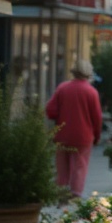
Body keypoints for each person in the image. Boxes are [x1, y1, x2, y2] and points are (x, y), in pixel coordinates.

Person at [45, 58, 103, 199]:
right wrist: (96, 136)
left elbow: (50, 110)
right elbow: (97, 118)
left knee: (62, 166)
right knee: (80, 165)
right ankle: (75, 193)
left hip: (62, 134)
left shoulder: (62, 88)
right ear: (88, 73)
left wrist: (61, 117)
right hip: (83, 136)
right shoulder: (91, 92)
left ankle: (61, 191)